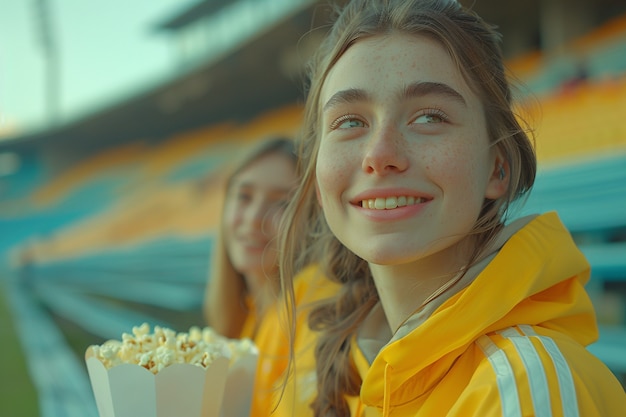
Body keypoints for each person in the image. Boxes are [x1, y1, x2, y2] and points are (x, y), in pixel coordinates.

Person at [277, 0, 626, 416]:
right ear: (319, 177)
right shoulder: (352, 369)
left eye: (429, 117)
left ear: (498, 167)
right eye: (350, 122)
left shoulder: (523, 390)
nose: (380, 153)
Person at [202, 137, 339, 416]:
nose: (254, 218)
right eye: (244, 196)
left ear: (311, 219)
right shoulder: (244, 319)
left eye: (282, 203)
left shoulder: (317, 299)